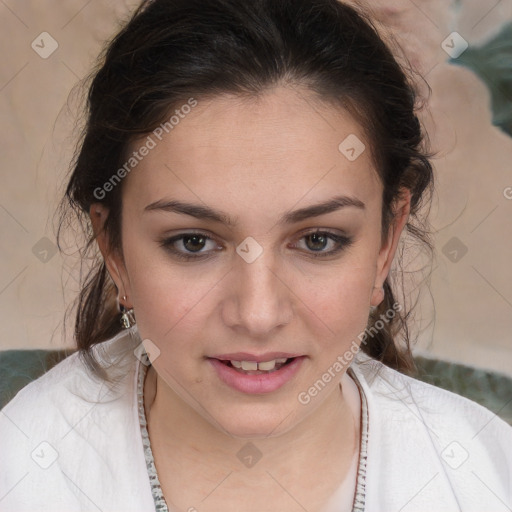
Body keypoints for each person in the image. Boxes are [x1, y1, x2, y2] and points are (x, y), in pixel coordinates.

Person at [1, 0, 511, 511]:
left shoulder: (488, 476)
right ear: (113, 249)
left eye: (318, 240)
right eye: (193, 242)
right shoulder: (21, 475)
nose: (258, 315)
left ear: (385, 243)